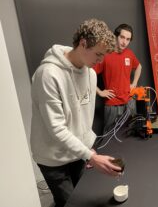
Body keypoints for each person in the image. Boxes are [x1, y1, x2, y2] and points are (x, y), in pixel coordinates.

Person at [30, 19, 122, 207]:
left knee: (79, 198)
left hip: (77, 154)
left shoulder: (91, 74)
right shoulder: (48, 74)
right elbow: (57, 129)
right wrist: (90, 156)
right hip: (53, 158)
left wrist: (87, 147)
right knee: (71, 202)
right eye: (98, 54)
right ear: (82, 43)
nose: (100, 60)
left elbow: (83, 120)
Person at [93, 23, 142, 133]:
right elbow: (88, 73)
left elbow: (139, 66)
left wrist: (134, 84)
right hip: (112, 105)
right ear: (116, 36)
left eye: (128, 39)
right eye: (122, 37)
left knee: (131, 134)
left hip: (130, 103)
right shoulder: (105, 55)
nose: (124, 42)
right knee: (109, 137)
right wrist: (100, 92)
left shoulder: (129, 54)